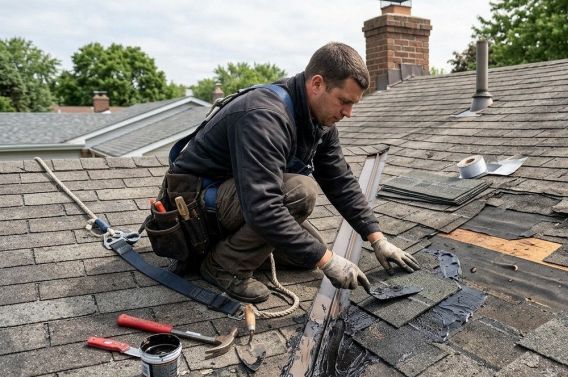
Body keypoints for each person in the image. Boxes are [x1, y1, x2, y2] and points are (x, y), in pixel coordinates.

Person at [168, 42, 419, 303]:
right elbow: (263, 207)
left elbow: (340, 181)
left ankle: (230, 249)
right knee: (301, 193)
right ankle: (223, 265)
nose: (349, 113)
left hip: (229, 203)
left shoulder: (318, 121)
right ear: (317, 84)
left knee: (305, 255)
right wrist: (328, 260)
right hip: (193, 209)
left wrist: (377, 239)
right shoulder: (264, 116)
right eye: (344, 101)